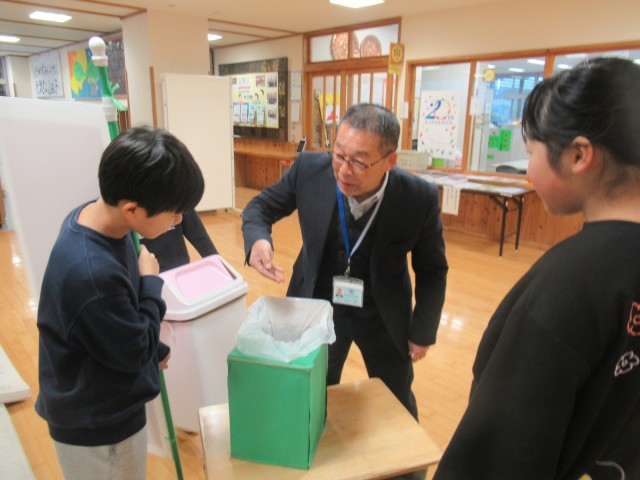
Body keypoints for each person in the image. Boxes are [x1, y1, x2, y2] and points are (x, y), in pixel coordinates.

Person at [434, 57, 640, 479]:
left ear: (579, 155)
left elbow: (498, 453)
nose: (528, 169)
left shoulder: (570, 284)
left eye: (531, 153)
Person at [242, 103, 448, 420]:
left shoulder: (418, 197)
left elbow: (432, 270)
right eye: (339, 155)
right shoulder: (309, 169)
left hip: (382, 311)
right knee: (312, 391)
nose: (343, 170)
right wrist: (259, 240)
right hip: (317, 302)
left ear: (390, 161)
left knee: (396, 396)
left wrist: (423, 331)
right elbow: (261, 207)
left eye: (359, 162)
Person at [35, 126, 205, 480]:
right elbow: (133, 350)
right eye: (174, 214)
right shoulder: (91, 273)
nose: (178, 221)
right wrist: (151, 283)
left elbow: (115, 325)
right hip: (97, 427)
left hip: (103, 396)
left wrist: (150, 348)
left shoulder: (97, 219)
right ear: (132, 209)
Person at [140, 208, 218, 272]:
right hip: (144, 273)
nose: (178, 219)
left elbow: (198, 234)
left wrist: (218, 264)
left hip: (179, 269)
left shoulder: (178, 197)